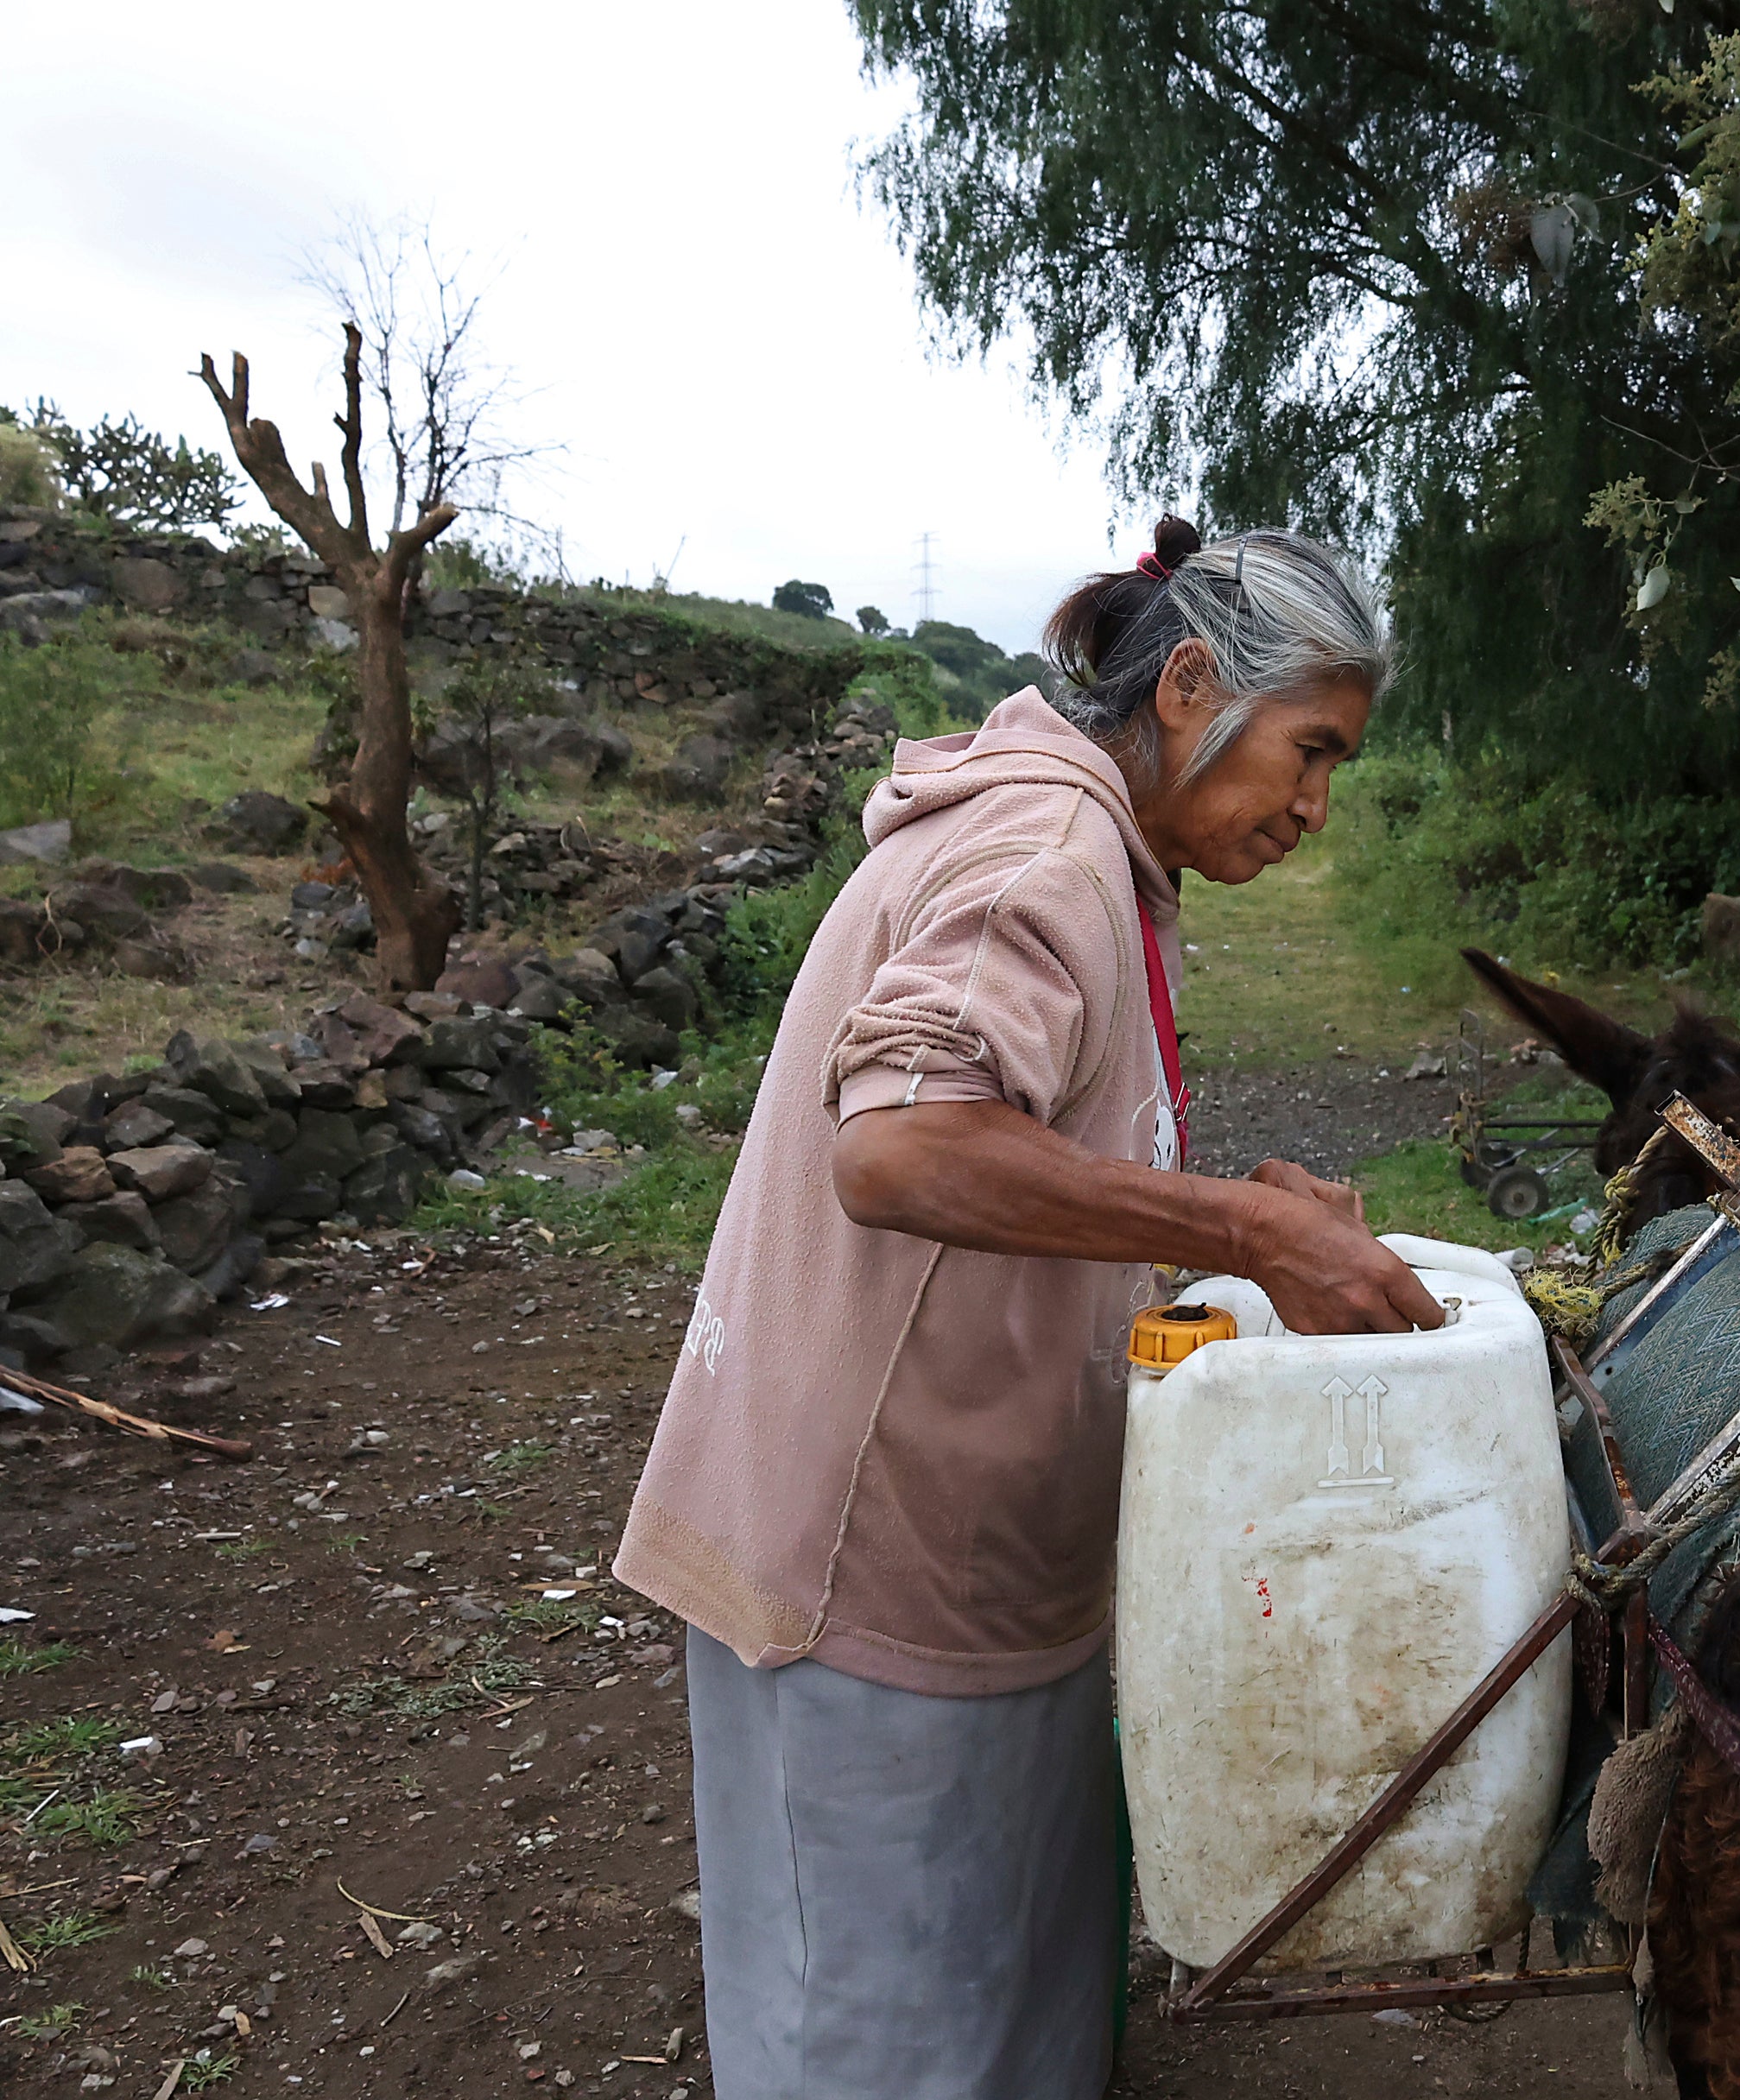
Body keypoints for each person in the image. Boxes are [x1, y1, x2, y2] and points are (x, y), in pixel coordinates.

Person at [613, 517, 1445, 2100]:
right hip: (858, 1571)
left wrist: (1225, 1218)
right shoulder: (1040, 857)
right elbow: (907, 1144)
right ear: (1194, 687)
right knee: (874, 2042)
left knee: (999, 2016)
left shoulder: (1105, 863)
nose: (1319, 811)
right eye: (1311, 750)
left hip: (975, 1556)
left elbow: (1034, 1137)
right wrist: (1242, 1229)